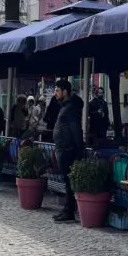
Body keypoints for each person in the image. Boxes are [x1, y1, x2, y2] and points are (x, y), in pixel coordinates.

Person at [52, 79, 84, 223]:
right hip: (63, 148)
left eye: (57, 91)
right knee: (67, 181)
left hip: (67, 149)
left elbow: (75, 129)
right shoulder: (65, 106)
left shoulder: (70, 107)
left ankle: (69, 211)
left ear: (65, 91)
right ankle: (67, 209)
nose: (55, 94)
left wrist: (78, 147)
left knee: (68, 181)